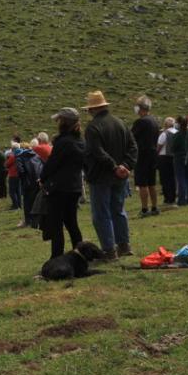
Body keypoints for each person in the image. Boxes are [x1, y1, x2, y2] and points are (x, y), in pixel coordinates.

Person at [81, 90, 138, 258]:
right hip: (120, 176)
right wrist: (125, 166)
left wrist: (114, 167)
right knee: (118, 209)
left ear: (92, 109)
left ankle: (109, 249)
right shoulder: (120, 123)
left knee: (101, 214)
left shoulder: (92, 128)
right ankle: (124, 245)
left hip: (101, 176)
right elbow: (133, 147)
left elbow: (97, 153)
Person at [40, 109, 87, 258]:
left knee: (57, 225)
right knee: (72, 223)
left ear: (64, 123)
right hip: (74, 187)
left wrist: (42, 177)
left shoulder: (62, 142)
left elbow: (52, 164)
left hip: (59, 188)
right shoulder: (80, 141)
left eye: (59, 120)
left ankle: (56, 257)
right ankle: (80, 254)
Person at [131, 96, 161, 216]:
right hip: (153, 154)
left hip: (142, 155)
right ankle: (154, 207)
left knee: (142, 183)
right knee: (151, 183)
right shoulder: (154, 121)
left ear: (140, 108)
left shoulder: (140, 122)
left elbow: (131, 137)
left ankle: (144, 209)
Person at [172, 115, 188, 205]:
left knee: (181, 179)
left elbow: (173, 148)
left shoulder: (177, 135)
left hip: (179, 158)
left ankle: (182, 199)